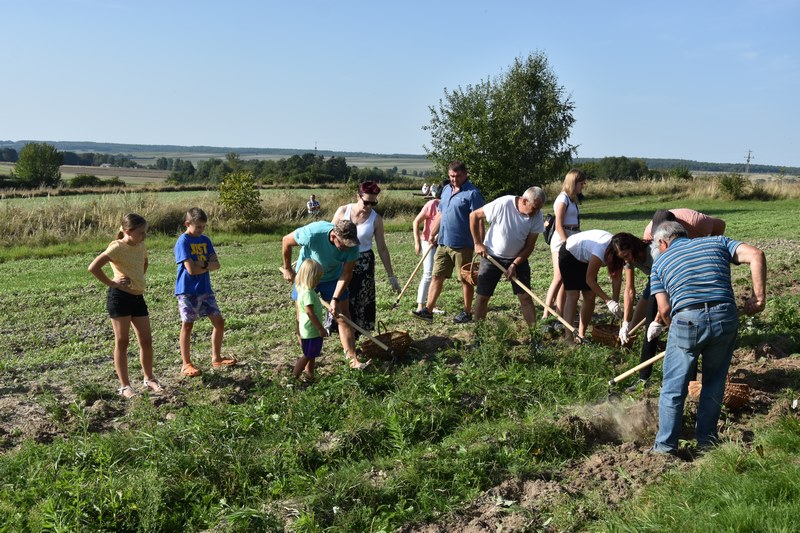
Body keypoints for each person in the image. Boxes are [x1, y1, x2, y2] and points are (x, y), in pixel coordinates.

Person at [649, 221, 766, 454]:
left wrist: (679, 334)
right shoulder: (718, 242)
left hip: (686, 320)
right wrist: (758, 297)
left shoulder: (660, 262)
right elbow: (756, 254)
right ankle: (706, 442)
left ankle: (665, 448)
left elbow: (663, 310)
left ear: (663, 242)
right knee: (713, 382)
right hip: (725, 316)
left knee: (673, 388)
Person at [629, 209, 728, 390]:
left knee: (690, 332)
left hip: (692, 278)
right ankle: (644, 378)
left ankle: (691, 383)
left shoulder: (696, 221)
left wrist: (704, 250)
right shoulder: (651, 238)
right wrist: (654, 320)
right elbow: (655, 289)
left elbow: (720, 226)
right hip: (667, 276)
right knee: (651, 328)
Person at [88, 213, 162, 398]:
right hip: (120, 298)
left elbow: (144, 262)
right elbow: (93, 267)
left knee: (146, 340)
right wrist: (113, 283)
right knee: (122, 342)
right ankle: (124, 386)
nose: (144, 236)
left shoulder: (140, 245)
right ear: (128, 231)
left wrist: (138, 278)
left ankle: (149, 378)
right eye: (141, 233)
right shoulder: (117, 247)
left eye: (146, 233)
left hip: (138, 298)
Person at [281, 219, 366, 369]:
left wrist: (335, 298)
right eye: (344, 245)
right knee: (302, 318)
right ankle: (307, 356)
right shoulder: (312, 233)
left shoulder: (352, 245)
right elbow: (286, 240)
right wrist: (287, 268)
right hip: (306, 277)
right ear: (333, 236)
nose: (347, 248)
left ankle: (352, 360)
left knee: (342, 316)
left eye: (349, 245)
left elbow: (346, 274)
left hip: (332, 277)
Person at [412, 161, 484, 324]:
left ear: (465, 174)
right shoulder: (446, 190)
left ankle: (467, 312)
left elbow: (479, 220)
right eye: (451, 176)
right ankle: (428, 311)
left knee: (465, 279)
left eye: (457, 176)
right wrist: (433, 233)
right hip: (443, 243)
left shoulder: (473, 194)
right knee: (437, 276)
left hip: (462, 245)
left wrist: (479, 243)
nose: (454, 179)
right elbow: (441, 214)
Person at [331, 181, 401, 337]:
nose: (369, 206)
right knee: (341, 297)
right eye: (366, 201)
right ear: (358, 196)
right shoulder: (343, 211)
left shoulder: (376, 219)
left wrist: (391, 276)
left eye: (373, 202)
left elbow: (382, 249)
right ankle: (342, 331)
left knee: (360, 302)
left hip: (364, 264)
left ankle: (354, 335)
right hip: (342, 261)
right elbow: (329, 236)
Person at [470, 186, 546, 325]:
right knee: (482, 297)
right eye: (534, 207)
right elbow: (474, 215)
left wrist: (514, 264)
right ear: (524, 201)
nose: (536, 212)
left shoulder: (537, 215)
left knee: (525, 298)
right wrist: (477, 243)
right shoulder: (503, 204)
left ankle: (535, 339)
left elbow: (529, 246)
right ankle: (479, 338)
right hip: (491, 257)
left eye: (539, 208)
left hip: (518, 259)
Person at [174, 207, 235, 378]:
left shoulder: (205, 240)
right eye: (198, 226)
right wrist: (205, 264)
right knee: (188, 325)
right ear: (188, 224)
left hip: (205, 289)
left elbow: (216, 265)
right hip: (187, 290)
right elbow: (190, 270)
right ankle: (186, 364)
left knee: (219, 322)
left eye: (203, 226)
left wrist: (201, 264)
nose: (201, 230)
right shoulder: (183, 242)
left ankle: (216, 358)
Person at [559, 229, 622, 343]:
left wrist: (615, 301)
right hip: (570, 252)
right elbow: (590, 280)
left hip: (586, 257)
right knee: (573, 295)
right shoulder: (601, 250)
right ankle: (569, 338)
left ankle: (581, 335)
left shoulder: (620, 250)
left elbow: (616, 278)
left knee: (590, 295)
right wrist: (608, 301)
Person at [543, 169, 586, 319]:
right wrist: (567, 243)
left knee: (566, 279)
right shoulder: (562, 199)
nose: (583, 185)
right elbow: (559, 226)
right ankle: (546, 314)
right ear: (574, 182)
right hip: (562, 240)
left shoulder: (572, 199)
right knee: (558, 277)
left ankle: (560, 314)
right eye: (581, 183)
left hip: (573, 238)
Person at [293, 258, 327, 381]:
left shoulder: (305, 291)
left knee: (312, 354)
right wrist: (320, 328)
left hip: (310, 330)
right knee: (307, 355)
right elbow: (310, 312)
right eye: (318, 278)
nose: (319, 280)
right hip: (311, 330)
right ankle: (294, 376)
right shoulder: (307, 293)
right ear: (311, 277)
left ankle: (310, 374)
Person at [412, 181, 443, 314]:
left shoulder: (450, 206)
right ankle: (420, 305)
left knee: (437, 275)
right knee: (428, 273)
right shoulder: (432, 204)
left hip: (441, 243)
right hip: (428, 242)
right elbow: (416, 222)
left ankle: (431, 305)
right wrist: (417, 241)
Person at [642, 208, 726, 241]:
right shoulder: (649, 234)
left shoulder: (695, 222)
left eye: (667, 235)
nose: (664, 238)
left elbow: (720, 225)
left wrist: (710, 246)